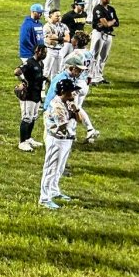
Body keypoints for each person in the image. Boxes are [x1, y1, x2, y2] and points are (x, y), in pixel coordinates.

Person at [39, 79, 85, 209]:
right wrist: (71, 113)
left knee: (59, 168)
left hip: (66, 139)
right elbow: (63, 125)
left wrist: (75, 110)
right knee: (51, 169)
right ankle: (44, 198)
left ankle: (53, 190)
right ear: (64, 92)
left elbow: (79, 120)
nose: (74, 94)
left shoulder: (68, 102)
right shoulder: (57, 105)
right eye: (72, 92)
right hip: (57, 139)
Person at [16, 45, 47, 152]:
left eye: (45, 53)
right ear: (36, 51)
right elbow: (17, 71)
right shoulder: (29, 62)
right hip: (28, 95)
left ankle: (28, 138)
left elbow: (36, 76)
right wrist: (24, 81)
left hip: (36, 94)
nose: (44, 55)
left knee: (33, 117)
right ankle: (22, 142)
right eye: (43, 52)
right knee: (26, 118)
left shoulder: (40, 63)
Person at [88, 0, 119, 85]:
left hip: (109, 34)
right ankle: (90, 77)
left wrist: (110, 22)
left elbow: (117, 22)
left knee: (104, 57)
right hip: (98, 34)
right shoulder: (98, 9)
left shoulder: (111, 9)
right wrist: (110, 22)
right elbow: (105, 24)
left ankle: (98, 76)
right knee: (94, 55)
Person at [42, 9, 70, 81]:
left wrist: (56, 38)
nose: (59, 17)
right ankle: (41, 89)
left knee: (57, 73)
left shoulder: (63, 26)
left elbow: (67, 39)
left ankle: (53, 90)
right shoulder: (47, 26)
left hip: (60, 51)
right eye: (57, 16)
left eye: (59, 16)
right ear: (51, 16)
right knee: (46, 72)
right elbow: (50, 41)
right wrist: (61, 39)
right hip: (50, 51)